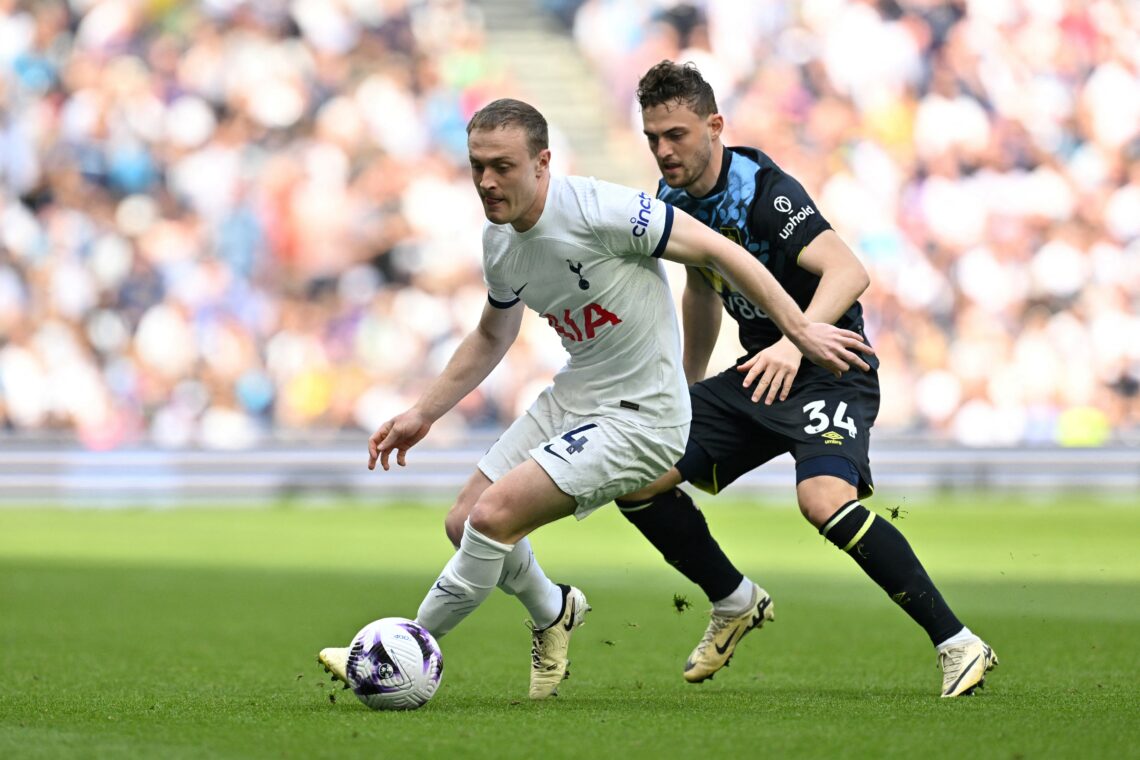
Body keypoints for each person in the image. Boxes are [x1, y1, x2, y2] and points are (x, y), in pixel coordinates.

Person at [317, 97, 874, 700]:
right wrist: (422, 413)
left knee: (493, 519)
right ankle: (553, 609)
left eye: (502, 165)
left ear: (542, 162)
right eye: (477, 165)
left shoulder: (605, 210)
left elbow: (722, 251)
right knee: (462, 523)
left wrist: (797, 332)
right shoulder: (500, 242)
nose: (486, 181)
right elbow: (491, 334)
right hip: (578, 393)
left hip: (643, 415)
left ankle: (402, 649)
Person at [616, 61, 998, 698]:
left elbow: (848, 272)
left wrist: (796, 344)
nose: (663, 150)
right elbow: (702, 292)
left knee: (821, 501)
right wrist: (683, 389)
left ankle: (959, 644)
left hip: (828, 368)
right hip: (761, 373)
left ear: (714, 126)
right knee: (636, 474)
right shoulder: (674, 202)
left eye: (676, 134)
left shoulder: (765, 192)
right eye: (653, 137)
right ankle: (734, 600)